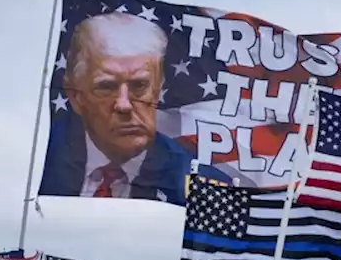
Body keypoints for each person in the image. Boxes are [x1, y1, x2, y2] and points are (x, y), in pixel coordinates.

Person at [37, 12, 222, 205]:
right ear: (76, 97)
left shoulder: (200, 186)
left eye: (139, 85)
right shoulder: (38, 160)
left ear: (158, 89)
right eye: (106, 87)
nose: (124, 105)